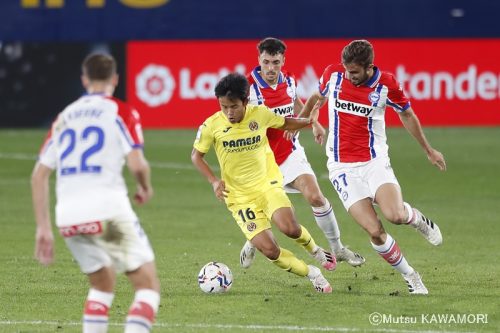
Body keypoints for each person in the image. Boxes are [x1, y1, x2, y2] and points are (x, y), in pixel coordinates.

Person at [300, 40, 446, 295]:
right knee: (375, 231)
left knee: (395, 215)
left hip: (374, 162)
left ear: (369, 67)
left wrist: (428, 150)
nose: (349, 75)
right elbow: (316, 96)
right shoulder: (333, 75)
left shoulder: (386, 85)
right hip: (342, 167)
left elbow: (407, 115)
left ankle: (416, 219)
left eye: (354, 72)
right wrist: (304, 120)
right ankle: (411, 276)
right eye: (346, 70)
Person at [31, 53, 160, 332]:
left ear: (84, 80)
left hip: (68, 218)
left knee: (102, 284)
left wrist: (43, 228)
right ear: (115, 79)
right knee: (147, 285)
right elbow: (137, 164)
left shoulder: (63, 117)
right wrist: (145, 187)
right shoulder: (121, 111)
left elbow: (39, 175)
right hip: (107, 214)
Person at [191, 73, 335, 293]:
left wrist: (312, 122)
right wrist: (213, 181)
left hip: (267, 185)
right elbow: (196, 155)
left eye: (234, 106)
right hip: (238, 198)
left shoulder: (261, 114)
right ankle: (312, 273)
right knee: (270, 250)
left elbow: (287, 123)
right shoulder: (212, 125)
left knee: (290, 228)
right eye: (224, 106)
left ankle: (314, 249)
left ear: (246, 101)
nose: (229, 112)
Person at [240, 37, 365, 269]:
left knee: (316, 197)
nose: (270, 68)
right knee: (279, 214)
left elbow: (296, 104)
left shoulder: (288, 80)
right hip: (263, 161)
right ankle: (253, 239)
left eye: (275, 62)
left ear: (283, 60)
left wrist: (313, 123)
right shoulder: (248, 89)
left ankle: (338, 248)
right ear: (258, 60)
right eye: (266, 62)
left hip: (290, 152)